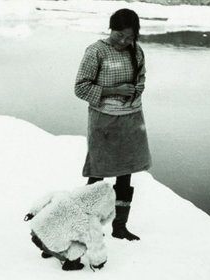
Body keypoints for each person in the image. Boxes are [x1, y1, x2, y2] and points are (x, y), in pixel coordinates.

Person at [75, 8, 152, 241]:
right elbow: (81, 88)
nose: (124, 41)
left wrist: (134, 92)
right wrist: (114, 91)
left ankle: (120, 227)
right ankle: (81, 226)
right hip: (104, 121)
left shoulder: (136, 51)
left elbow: (141, 80)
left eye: (129, 37)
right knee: (97, 175)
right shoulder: (96, 51)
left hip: (131, 119)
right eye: (119, 35)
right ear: (111, 28)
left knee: (125, 174)